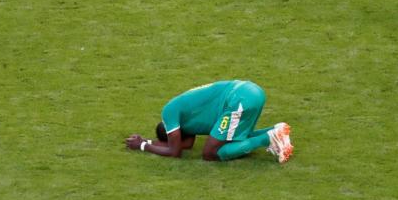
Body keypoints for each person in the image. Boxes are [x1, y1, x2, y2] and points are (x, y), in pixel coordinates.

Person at [125, 80, 293, 163]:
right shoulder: (190, 120)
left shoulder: (169, 112)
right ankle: (277, 130)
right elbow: (184, 145)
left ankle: (268, 138)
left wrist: (143, 146)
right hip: (250, 91)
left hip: (239, 99)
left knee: (210, 153)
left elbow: (174, 152)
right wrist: (147, 140)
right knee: (235, 139)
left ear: (173, 132)